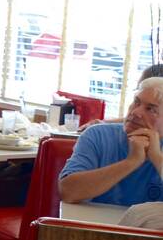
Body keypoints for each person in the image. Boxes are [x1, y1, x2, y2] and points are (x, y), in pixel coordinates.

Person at [58, 77, 163, 206]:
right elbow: (68, 192)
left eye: (151, 109)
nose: (136, 112)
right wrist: (132, 161)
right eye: (136, 102)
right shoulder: (98, 135)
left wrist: (158, 159)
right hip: (94, 224)